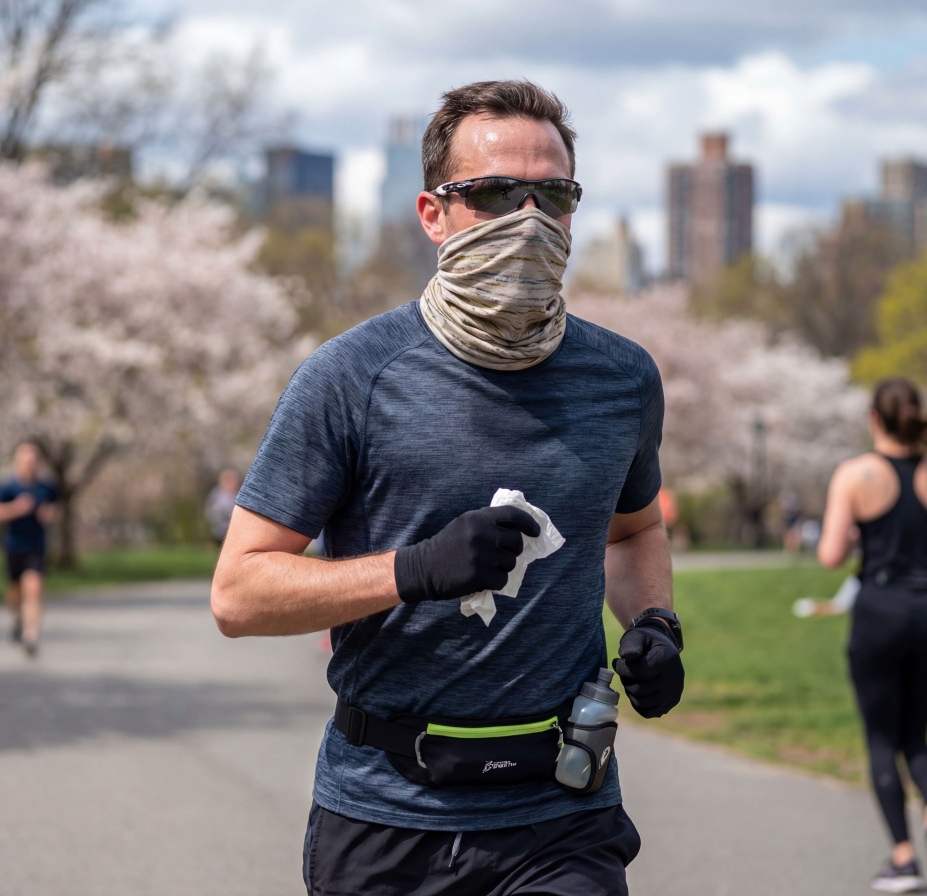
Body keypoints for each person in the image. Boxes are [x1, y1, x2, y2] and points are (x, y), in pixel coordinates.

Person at [211, 79, 684, 896]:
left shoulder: (623, 379)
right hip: (387, 815)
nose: (529, 219)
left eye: (555, 195)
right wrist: (410, 571)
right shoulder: (350, 377)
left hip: (561, 811)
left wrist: (656, 626)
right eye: (496, 194)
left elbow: (633, 530)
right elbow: (239, 592)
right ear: (434, 214)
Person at [818, 377, 927, 893]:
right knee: (917, 736)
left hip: (880, 610)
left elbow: (829, 556)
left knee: (882, 738)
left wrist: (852, 534)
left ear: (874, 419)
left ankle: (905, 858)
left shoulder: (856, 473)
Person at [0, 441, 59, 657]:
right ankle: (18, 619)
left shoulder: (47, 487)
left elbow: (55, 508)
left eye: (34, 457)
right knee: (14, 592)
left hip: (36, 546)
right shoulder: (8, 486)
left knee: (33, 588)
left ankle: (31, 635)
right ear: (18, 460)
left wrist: (50, 514)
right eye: (26, 456)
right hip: (13, 546)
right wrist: (14, 509)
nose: (31, 461)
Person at [204, 468, 241, 545]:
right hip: (220, 530)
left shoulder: (239, 494)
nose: (231, 482)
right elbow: (211, 512)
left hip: (235, 529)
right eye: (228, 479)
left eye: (232, 479)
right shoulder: (217, 494)